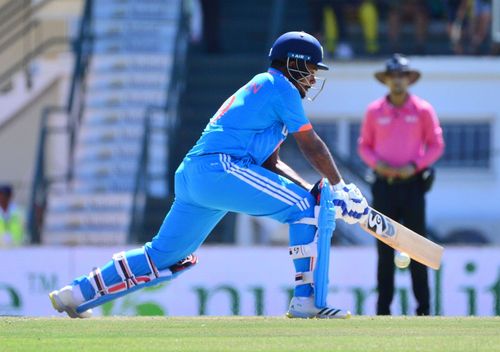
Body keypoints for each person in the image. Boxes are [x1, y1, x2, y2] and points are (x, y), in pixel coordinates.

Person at [49, 31, 369, 319]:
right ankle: (307, 301)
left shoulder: (265, 90)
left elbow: (271, 164)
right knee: (304, 209)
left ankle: (76, 294)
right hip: (221, 169)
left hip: (195, 175)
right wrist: (340, 187)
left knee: (164, 255)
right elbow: (311, 144)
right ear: (294, 64)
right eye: (311, 69)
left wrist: (320, 189)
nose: (313, 79)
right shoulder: (281, 86)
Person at [358, 54, 445, 315]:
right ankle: (383, 310)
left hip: (412, 186)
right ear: (387, 80)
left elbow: (436, 144)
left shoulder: (422, 110)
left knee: (417, 248)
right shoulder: (374, 111)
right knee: (384, 250)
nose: (398, 81)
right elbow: (364, 145)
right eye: (393, 76)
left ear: (409, 79)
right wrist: (378, 164)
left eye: (402, 76)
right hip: (384, 186)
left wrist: (415, 166)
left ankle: (424, 310)